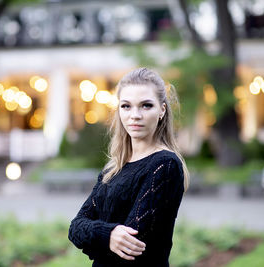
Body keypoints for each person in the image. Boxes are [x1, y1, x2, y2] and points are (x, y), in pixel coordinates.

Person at [68, 67, 190, 267]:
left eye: (146, 105)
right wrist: (109, 235)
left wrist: (97, 238)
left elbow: (131, 246)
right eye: (126, 106)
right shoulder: (113, 168)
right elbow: (75, 228)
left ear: (162, 109)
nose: (135, 115)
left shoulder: (165, 165)